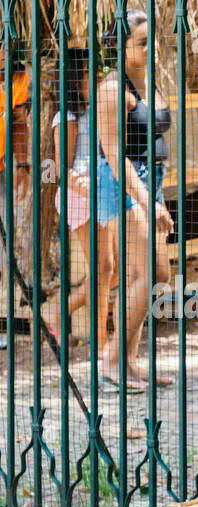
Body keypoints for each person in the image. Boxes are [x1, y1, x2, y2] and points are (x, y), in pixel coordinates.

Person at [96, 8, 174, 391]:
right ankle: (113, 360)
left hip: (151, 182)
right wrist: (148, 200)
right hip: (122, 182)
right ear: (119, 47)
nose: (151, 48)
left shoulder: (150, 82)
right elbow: (112, 152)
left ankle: (128, 362)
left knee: (153, 275)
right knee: (150, 274)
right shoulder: (113, 89)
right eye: (142, 43)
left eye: (152, 41)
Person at [43, 47, 118, 351]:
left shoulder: (98, 108)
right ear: (75, 80)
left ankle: (58, 311)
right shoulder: (68, 115)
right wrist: (92, 191)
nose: (97, 76)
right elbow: (63, 169)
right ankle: (100, 346)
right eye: (89, 72)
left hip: (101, 193)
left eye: (98, 70)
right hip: (80, 196)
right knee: (103, 269)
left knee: (113, 270)